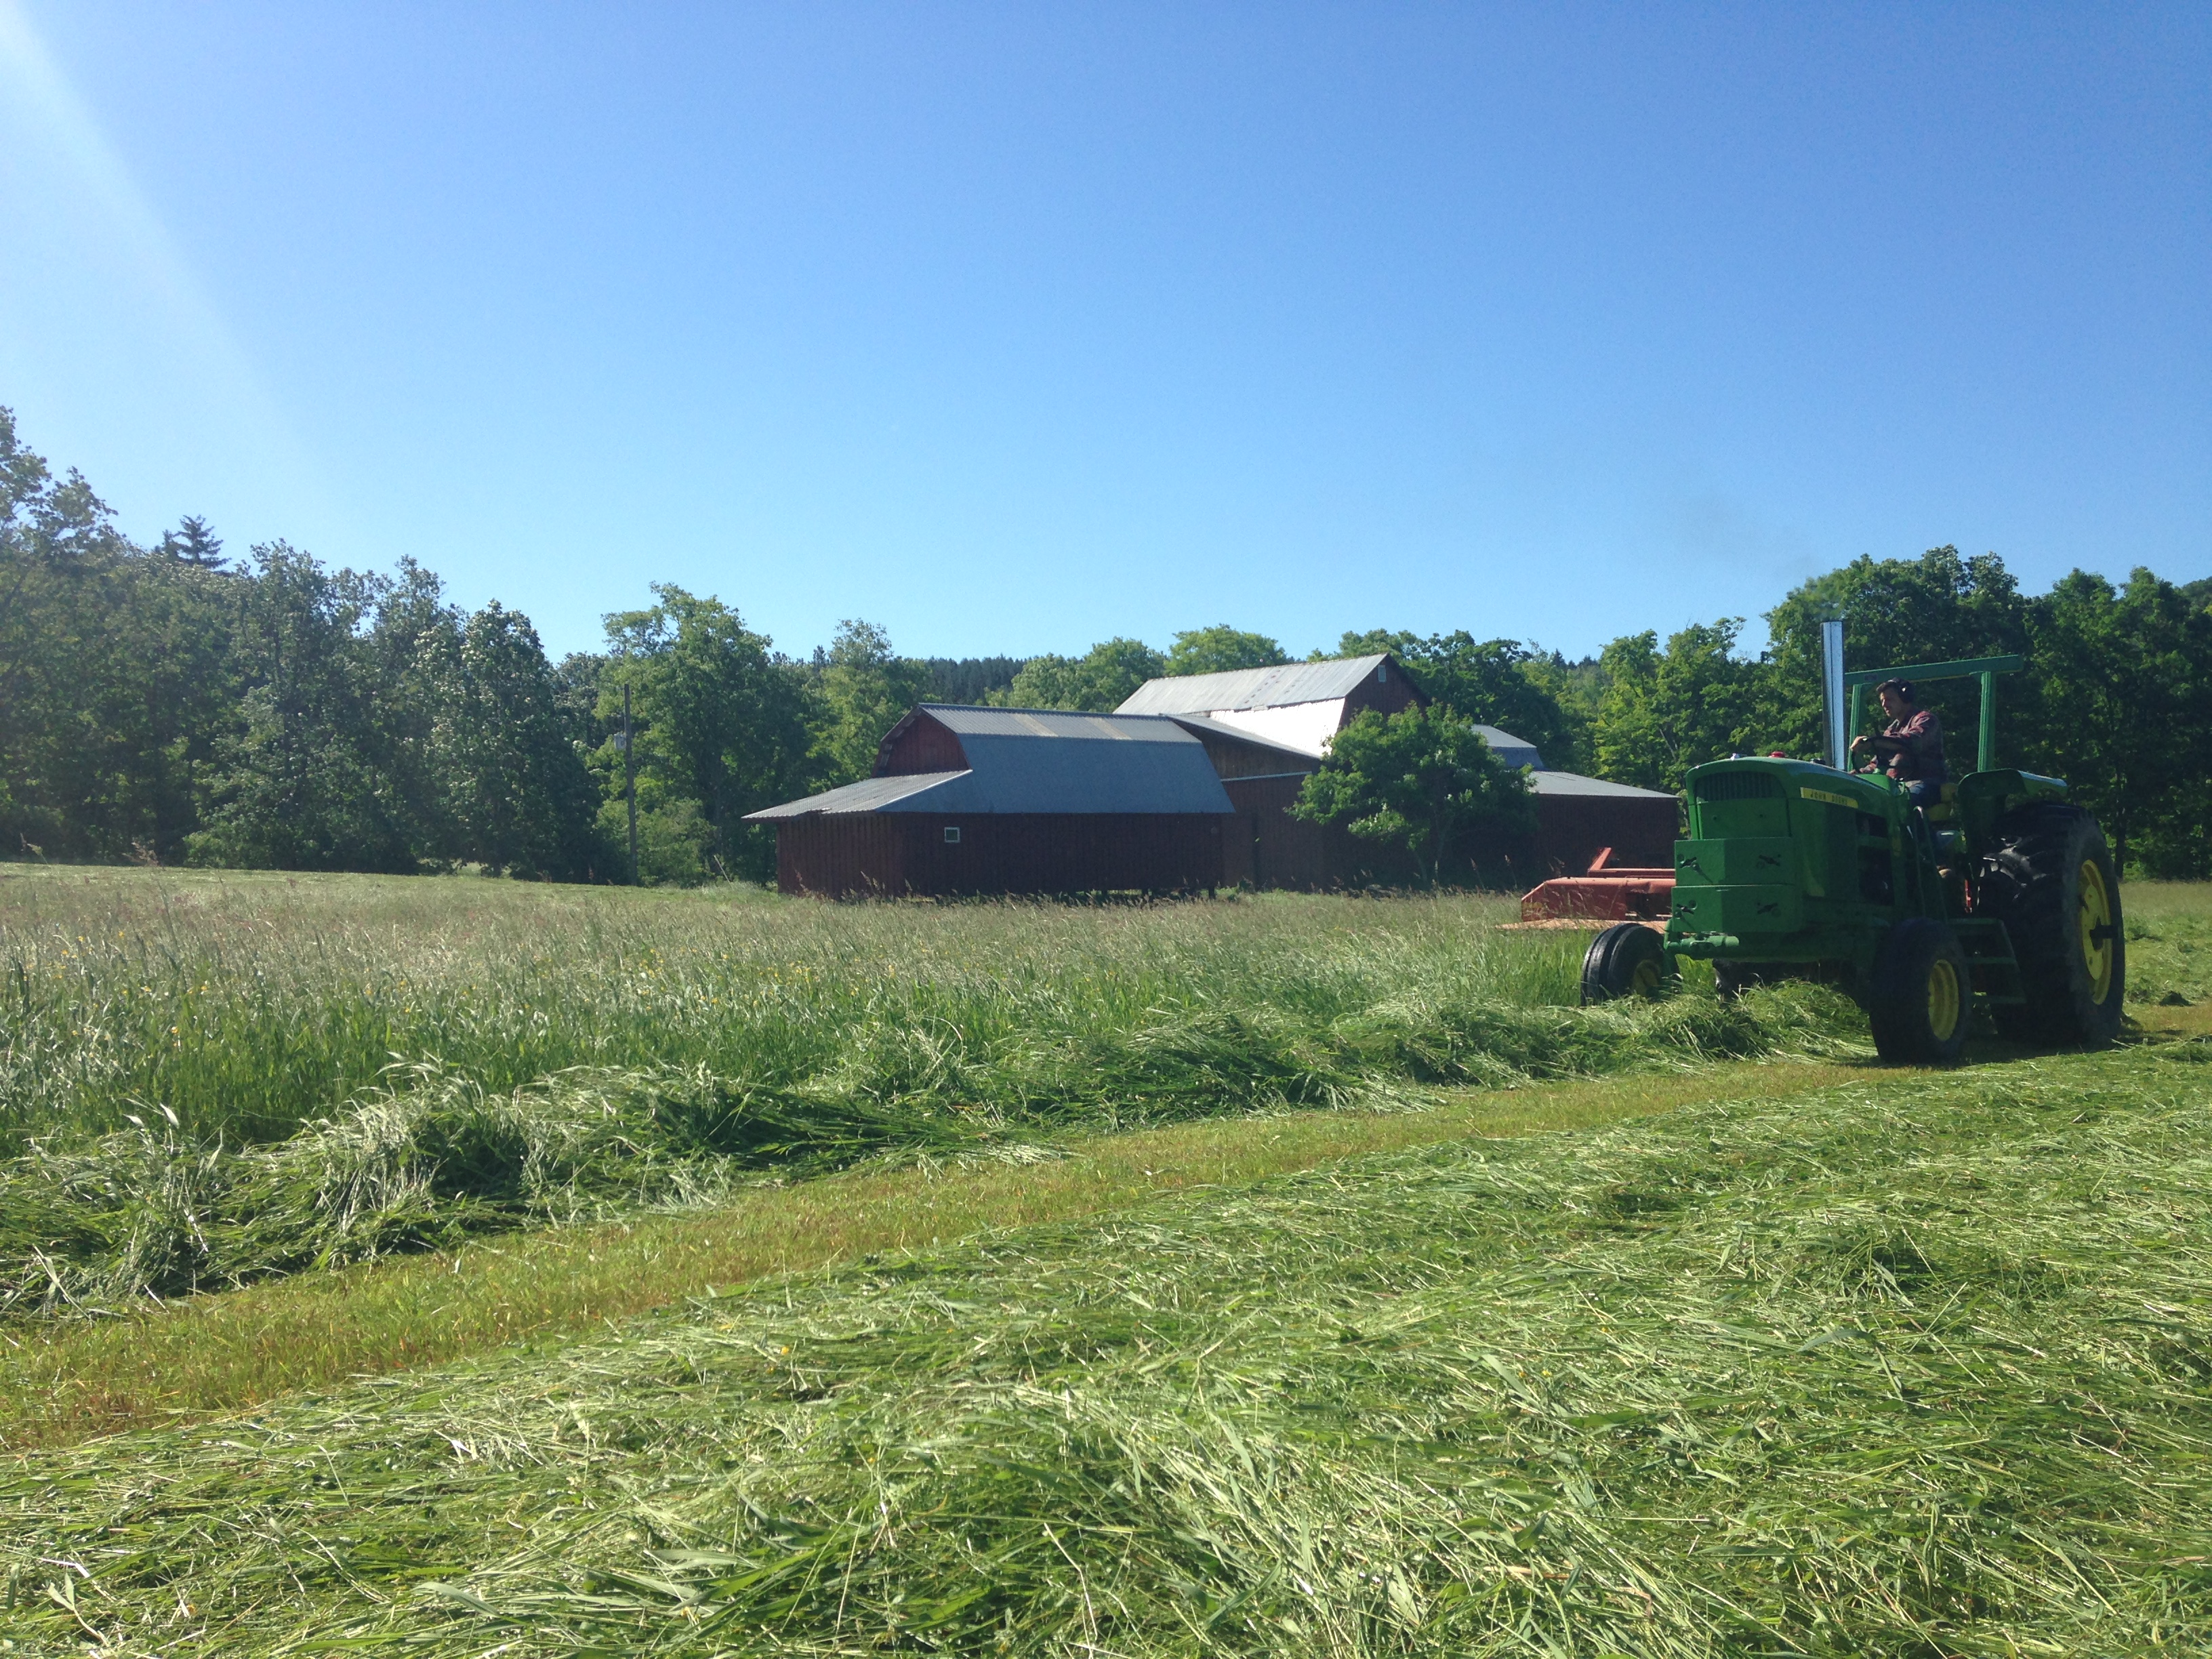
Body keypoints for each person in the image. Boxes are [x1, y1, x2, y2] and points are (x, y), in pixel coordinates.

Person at [1850, 679, 1947, 807]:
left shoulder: (1925, 719)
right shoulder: (1891, 731)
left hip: (1924, 783)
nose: (1884, 704)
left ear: (1905, 697)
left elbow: (1913, 741)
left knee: (1903, 802)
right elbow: (1877, 764)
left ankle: (1914, 827)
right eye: (1882, 701)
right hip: (1894, 787)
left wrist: (1874, 741)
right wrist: (1852, 776)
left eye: (1889, 699)